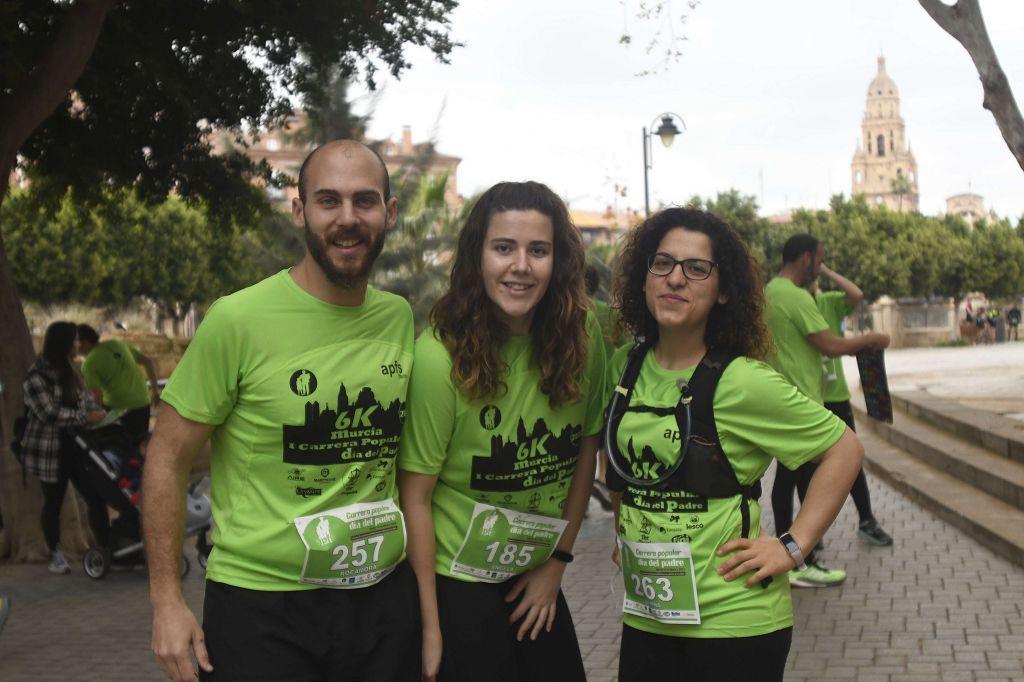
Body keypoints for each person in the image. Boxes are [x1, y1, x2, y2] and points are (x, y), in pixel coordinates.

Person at [144, 140, 419, 682]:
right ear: (299, 212)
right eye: (328, 201)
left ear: (388, 214)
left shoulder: (399, 318)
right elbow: (167, 458)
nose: (347, 219)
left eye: (364, 201)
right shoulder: (236, 319)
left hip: (380, 603)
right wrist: (166, 603)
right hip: (262, 609)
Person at [605, 208, 862, 682]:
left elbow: (843, 450)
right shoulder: (624, 365)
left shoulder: (742, 381)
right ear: (643, 279)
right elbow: (619, 459)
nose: (675, 279)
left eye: (696, 268)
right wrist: (625, 530)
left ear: (723, 291)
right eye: (661, 264)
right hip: (649, 613)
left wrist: (792, 546)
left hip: (733, 621)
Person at [398, 181, 605, 682]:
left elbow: (584, 451)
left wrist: (557, 562)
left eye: (539, 250)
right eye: (503, 248)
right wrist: (429, 626)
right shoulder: (437, 355)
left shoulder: (583, 333)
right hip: (457, 580)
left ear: (559, 262)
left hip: (535, 570)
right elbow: (416, 499)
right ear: (477, 256)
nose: (521, 266)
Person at [764, 234, 889, 587]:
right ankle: (798, 561)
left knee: (789, 479)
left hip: (782, 396)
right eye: (819, 260)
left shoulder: (769, 292)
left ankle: (798, 557)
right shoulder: (795, 296)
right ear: (805, 259)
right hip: (800, 399)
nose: (819, 267)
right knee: (805, 475)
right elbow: (831, 345)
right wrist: (869, 340)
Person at [812, 267, 893, 546]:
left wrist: (823, 269)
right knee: (806, 467)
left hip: (835, 395)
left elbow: (856, 295)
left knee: (851, 459)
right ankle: (812, 534)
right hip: (809, 396)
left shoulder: (826, 303)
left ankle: (867, 520)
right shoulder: (792, 304)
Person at [21, 321, 109, 574]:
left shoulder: (71, 370)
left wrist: (98, 413)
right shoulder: (37, 375)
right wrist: (83, 418)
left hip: (78, 448)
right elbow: (48, 412)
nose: (77, 345)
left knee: (96, 496)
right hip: (50, 452)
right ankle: (55, 553)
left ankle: (104, 547)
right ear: (63, 343)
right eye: (73, 340)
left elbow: (82, 402)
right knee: (53, 502)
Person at [77, 324, 160, 445]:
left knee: (123, 450)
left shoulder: (89, 363)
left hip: (119, 410)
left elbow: (97, 397)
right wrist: (155, 391)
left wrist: (93, 419)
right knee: (140, 446)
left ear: (84, 342)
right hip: (143, 401)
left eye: (75, 341)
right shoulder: (118, 344)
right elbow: (148, 362)